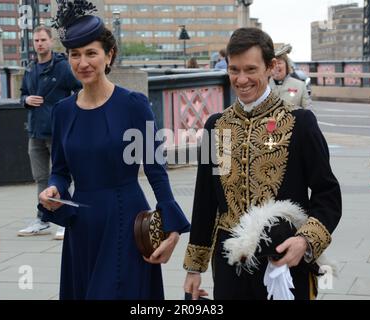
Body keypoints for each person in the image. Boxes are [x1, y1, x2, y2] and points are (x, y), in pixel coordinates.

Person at [38, 0, 190, 300]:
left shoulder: (134, 104)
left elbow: (155, 169)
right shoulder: (62, 111)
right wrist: (53, 190)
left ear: (109, 56)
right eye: (75, 55)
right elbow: (59, 171)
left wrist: (172, 228)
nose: (83, 62)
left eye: (91, 53)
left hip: (125, 222)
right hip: (81, 227)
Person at [183, 28, 341, 300]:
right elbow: (205, 201)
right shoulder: (216, 127)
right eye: (234, 70)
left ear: (270, 67)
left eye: (250, 69)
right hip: (230, 267)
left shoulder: (300, 123)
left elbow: (327, 195)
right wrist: (194, 268)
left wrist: (304, 242)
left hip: (284, 261)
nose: (241, 79)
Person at [18, 25, 81, 240]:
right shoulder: (30, 68)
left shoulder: (63, 67)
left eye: (43, 40)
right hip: (35, 131)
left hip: (57, 131)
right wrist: (25, 100)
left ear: (51, 42)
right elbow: (23, 94)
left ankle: (64, 218)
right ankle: (42, 219)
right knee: (41, 178)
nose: (39, 44)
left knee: (60, 176)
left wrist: (69, 110)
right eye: (36, 40)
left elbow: (80, 89)